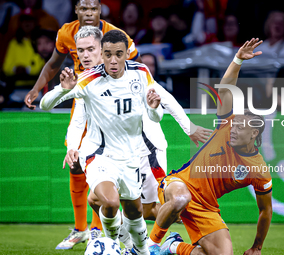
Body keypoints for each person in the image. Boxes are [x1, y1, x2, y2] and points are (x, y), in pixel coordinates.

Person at [63, 26, 212, 254]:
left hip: (144, 150)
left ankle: (173, 242)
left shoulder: (135, 74)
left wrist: (189, 127)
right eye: (80, 51)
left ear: (102, 51)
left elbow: (166, 98)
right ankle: (134, 246)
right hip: (108, 153)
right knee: (100, 199)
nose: (85, 55)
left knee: (151, 209)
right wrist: (74, 146)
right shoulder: (88, 81)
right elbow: (77, 120)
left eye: (90, 50)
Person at [24, 0, 141, 250]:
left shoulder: (115, 35)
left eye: (94, 9)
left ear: (100, 10)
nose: (89, 13)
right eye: (84, 9)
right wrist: (37, 88)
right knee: (76, 163)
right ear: (76, 10)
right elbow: (54, 63)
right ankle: (82, 229)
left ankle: (101, 231)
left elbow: (136, 67)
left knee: (109, 168)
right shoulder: (67, 32)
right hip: (82, 99)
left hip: (111, 106)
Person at [40, 29, 163, 255]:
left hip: (131, 157)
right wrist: (62, 90)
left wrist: (155, 110)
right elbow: (45, 105)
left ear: (128, 53)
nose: (113, 60)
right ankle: (110, 244)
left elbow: (154, 115)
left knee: (135, 213)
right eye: (108, 54)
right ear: (102, 54)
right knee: (111, 202)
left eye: (118, 54)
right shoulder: (89, 79)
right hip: (99, 155)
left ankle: (142, 250)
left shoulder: (141, 73)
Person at [147, 38, 273, 255]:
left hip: (206, 207)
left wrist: (257, 247)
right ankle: (149, 246)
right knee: (180, 199)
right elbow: (225, 90)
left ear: (254, 134)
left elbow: (265, 210)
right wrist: (237, 60)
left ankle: (173, 246)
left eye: (240, 127)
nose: (233, 129)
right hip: (180, 183)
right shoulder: (226, 123)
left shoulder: (258, 169)